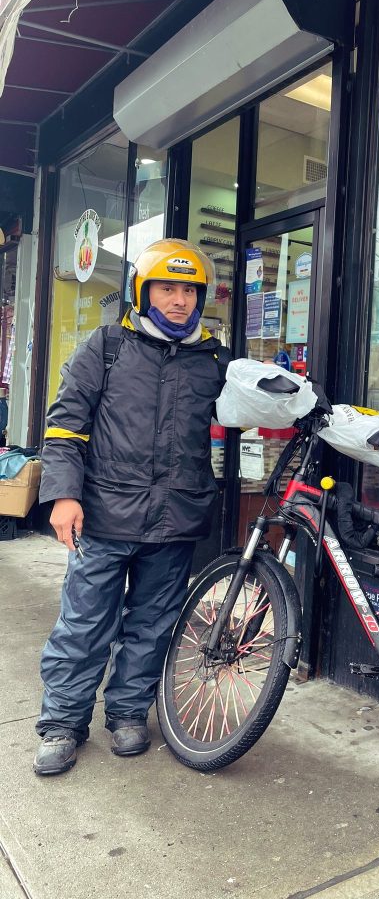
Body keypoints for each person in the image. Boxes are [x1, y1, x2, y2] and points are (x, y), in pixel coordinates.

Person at [33, 239, 229, 776]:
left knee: (151, 624)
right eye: (167, 288)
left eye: (189, 290)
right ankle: (62, 723)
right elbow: (66, 424)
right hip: (103, 513)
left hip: (175, 518)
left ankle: (127, 713)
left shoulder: (214, 359)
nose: (180, 300)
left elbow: (254, 405)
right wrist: (64, 495)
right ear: (143, 291)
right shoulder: (108, 345)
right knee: (84, 622)